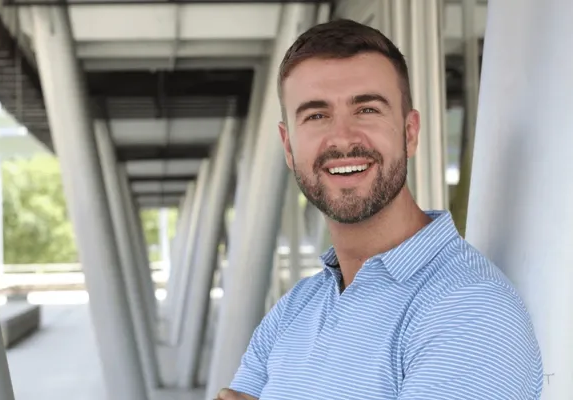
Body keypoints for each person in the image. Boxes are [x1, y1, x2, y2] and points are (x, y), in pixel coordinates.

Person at [216, 19, 543, 400]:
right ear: (288, 147)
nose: (342, 139)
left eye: (367, 109)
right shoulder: (295, 308)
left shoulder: (470, 310)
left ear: (410, 132)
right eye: (317, 115)